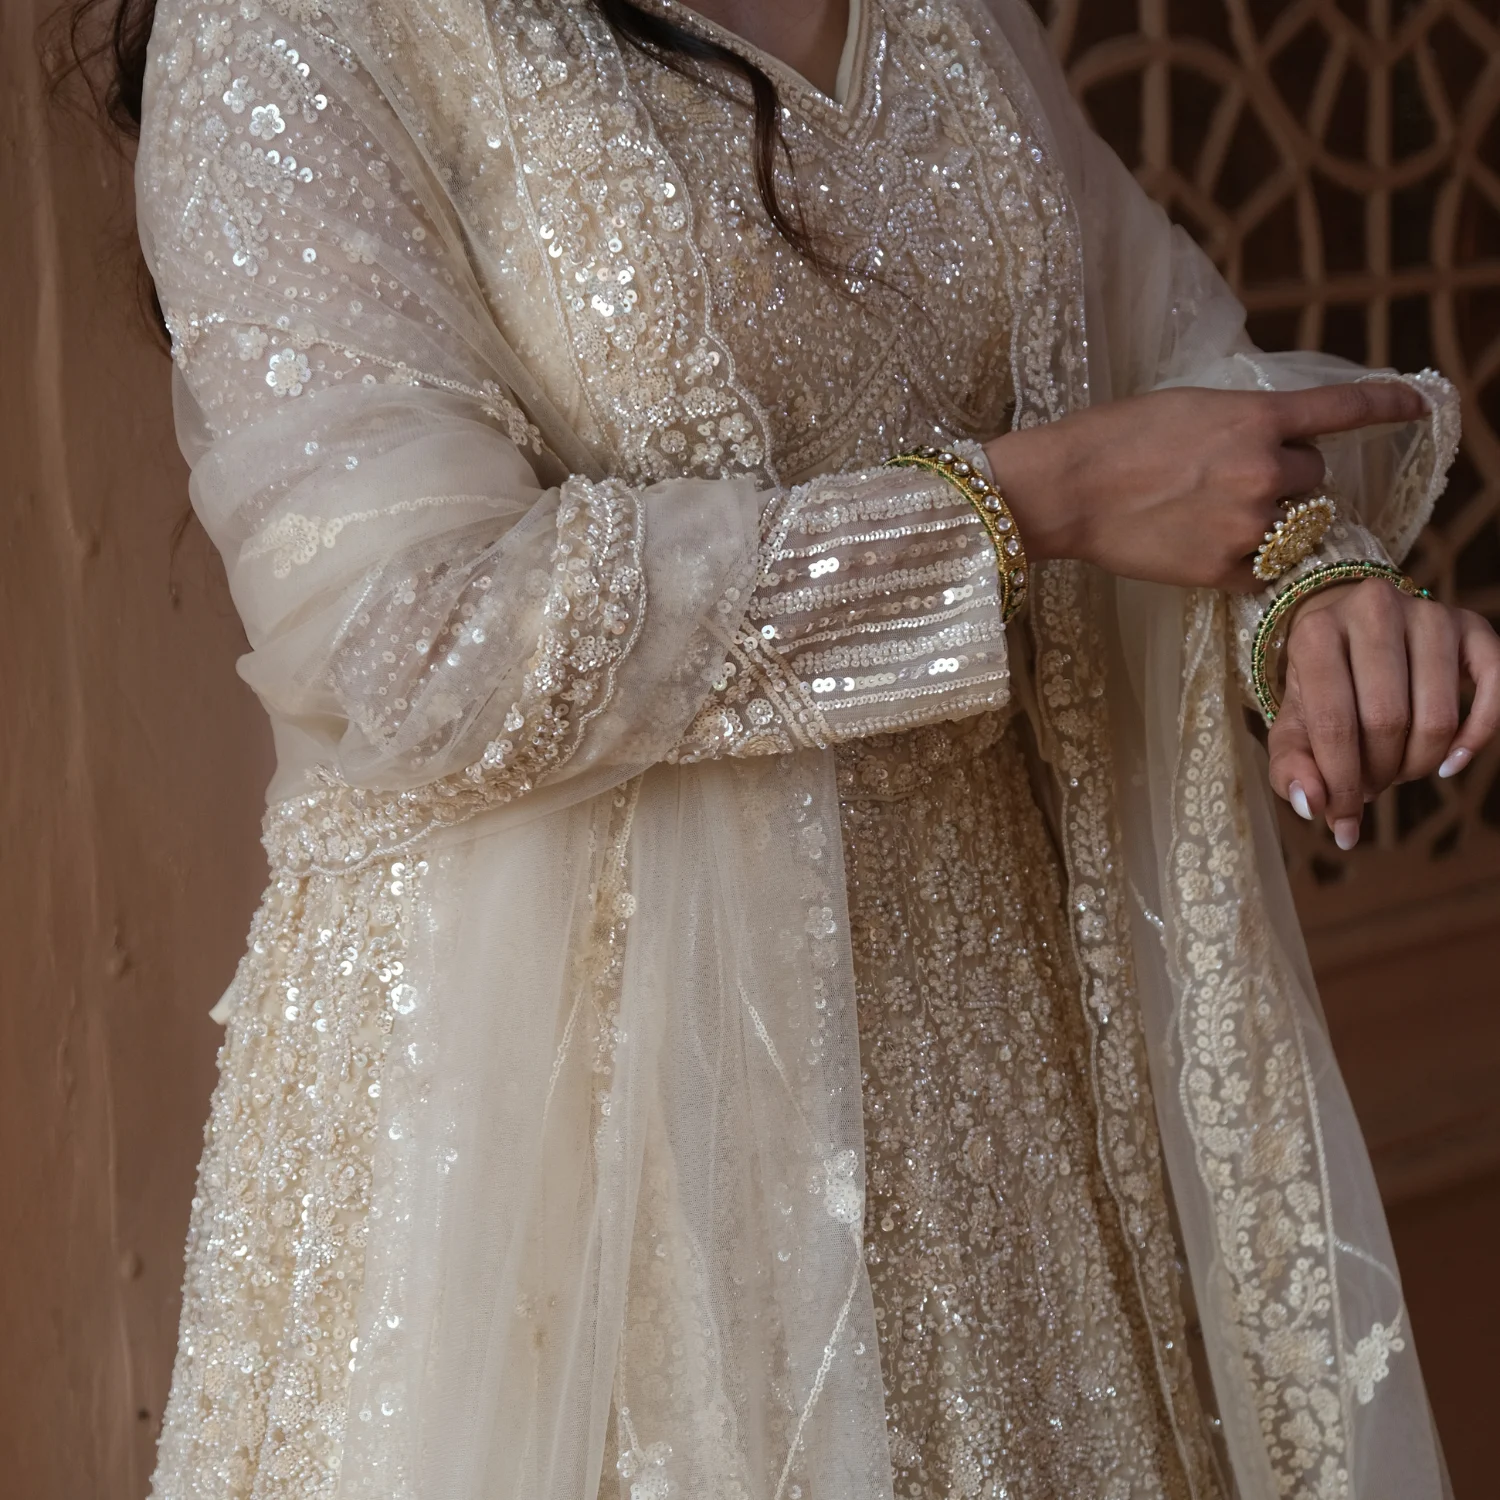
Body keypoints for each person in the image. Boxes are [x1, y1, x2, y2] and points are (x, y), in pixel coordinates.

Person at [98, 0, 1494, 1493]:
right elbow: (407, 641)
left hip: (1001, 1100)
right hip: (602, 1142)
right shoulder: (294, 31)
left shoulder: (943, 19)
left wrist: (1308, 583)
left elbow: (1170, 374)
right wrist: (1020, 508)